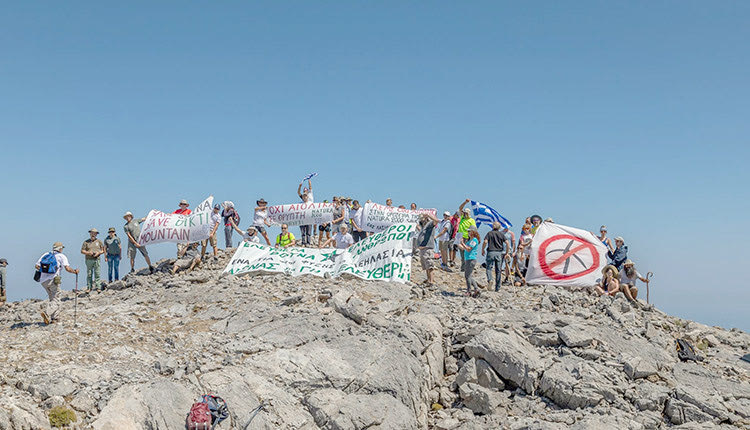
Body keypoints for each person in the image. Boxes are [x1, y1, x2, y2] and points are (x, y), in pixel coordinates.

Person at [35, 242, 79, 324]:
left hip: (43, 281)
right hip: (53, 280)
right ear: (60, 249)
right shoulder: (62, 256)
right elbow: (67, 268)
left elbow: (37, 266)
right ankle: (47, 313)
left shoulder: (46, 254)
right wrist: (75, 271)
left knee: (52, 298)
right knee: (57, 299)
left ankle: (54, 318)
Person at [482, 222, 511, 291]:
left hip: (491, 252)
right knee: (498, 270)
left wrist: (483, 249)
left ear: (492, 226)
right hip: (499, 253)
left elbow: (485, 242)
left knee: (489, 268)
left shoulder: (489, 233)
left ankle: (490, 279)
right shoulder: (501, 234)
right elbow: (507, 243)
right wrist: (507, 252)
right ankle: (497, 287)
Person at [415, 213, 439, 286]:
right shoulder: (423, 227)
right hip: (422, 249)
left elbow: (436, 220)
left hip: (428, 248)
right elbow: (421, 231)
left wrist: (428, 215)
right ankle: (428, 280)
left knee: (430, 265)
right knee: (426, 266)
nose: (421, 220)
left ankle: (431, 282)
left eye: (422, 218)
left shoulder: (430, 224)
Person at [458, 227, 481, 297]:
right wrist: (458, 244)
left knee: (467, 276)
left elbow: (468, 249)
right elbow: (465, 249)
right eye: (468, 232)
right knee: (469, 276)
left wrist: (462, 243)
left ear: (473, 232)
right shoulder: (469, 241)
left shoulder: (474, 240)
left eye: (469, 231)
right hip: (468, 259)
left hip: (471, 259)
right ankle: (476, 289)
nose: (468, 233)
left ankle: (469, 291)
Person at [457, 200, 478, 270]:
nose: (465, 214)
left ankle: (467, 266)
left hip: (467, 237)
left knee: (466, 251)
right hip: (460, 236)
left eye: (466, 213)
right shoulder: (462, 217)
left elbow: (474, 229)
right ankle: (463, 266)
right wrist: (465, 202)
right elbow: (460, 208)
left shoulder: (471, 220)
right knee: (461, 252)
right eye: (464, 212)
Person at [297, 182, 313, 246]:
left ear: (307, 196)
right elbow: (298, 193)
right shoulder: (300, 203)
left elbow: (311, 189)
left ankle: (308, 243)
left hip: (309, 218)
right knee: (303, 231)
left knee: (308, 232)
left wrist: (309, 182)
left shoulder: (310, 201)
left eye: (305, 196)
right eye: (303, 196)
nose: (304, 197)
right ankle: (303, 242)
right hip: (302, 218)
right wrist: (300, 186)